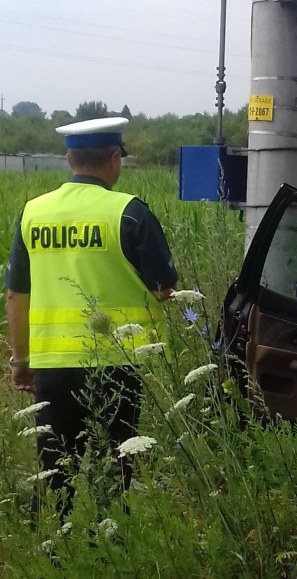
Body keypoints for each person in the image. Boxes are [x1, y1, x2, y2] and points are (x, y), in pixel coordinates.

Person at [5, 117, 178, 518]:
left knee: (55, 462)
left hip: (52, 364)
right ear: (114, 159)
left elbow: (16, 294)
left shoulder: (33, 213)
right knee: (116, 458)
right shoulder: (130, 213)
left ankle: (57, 542)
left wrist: (21, 361)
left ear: (69, 160)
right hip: (117, 361)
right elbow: (164, 289)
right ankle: (110, 536)